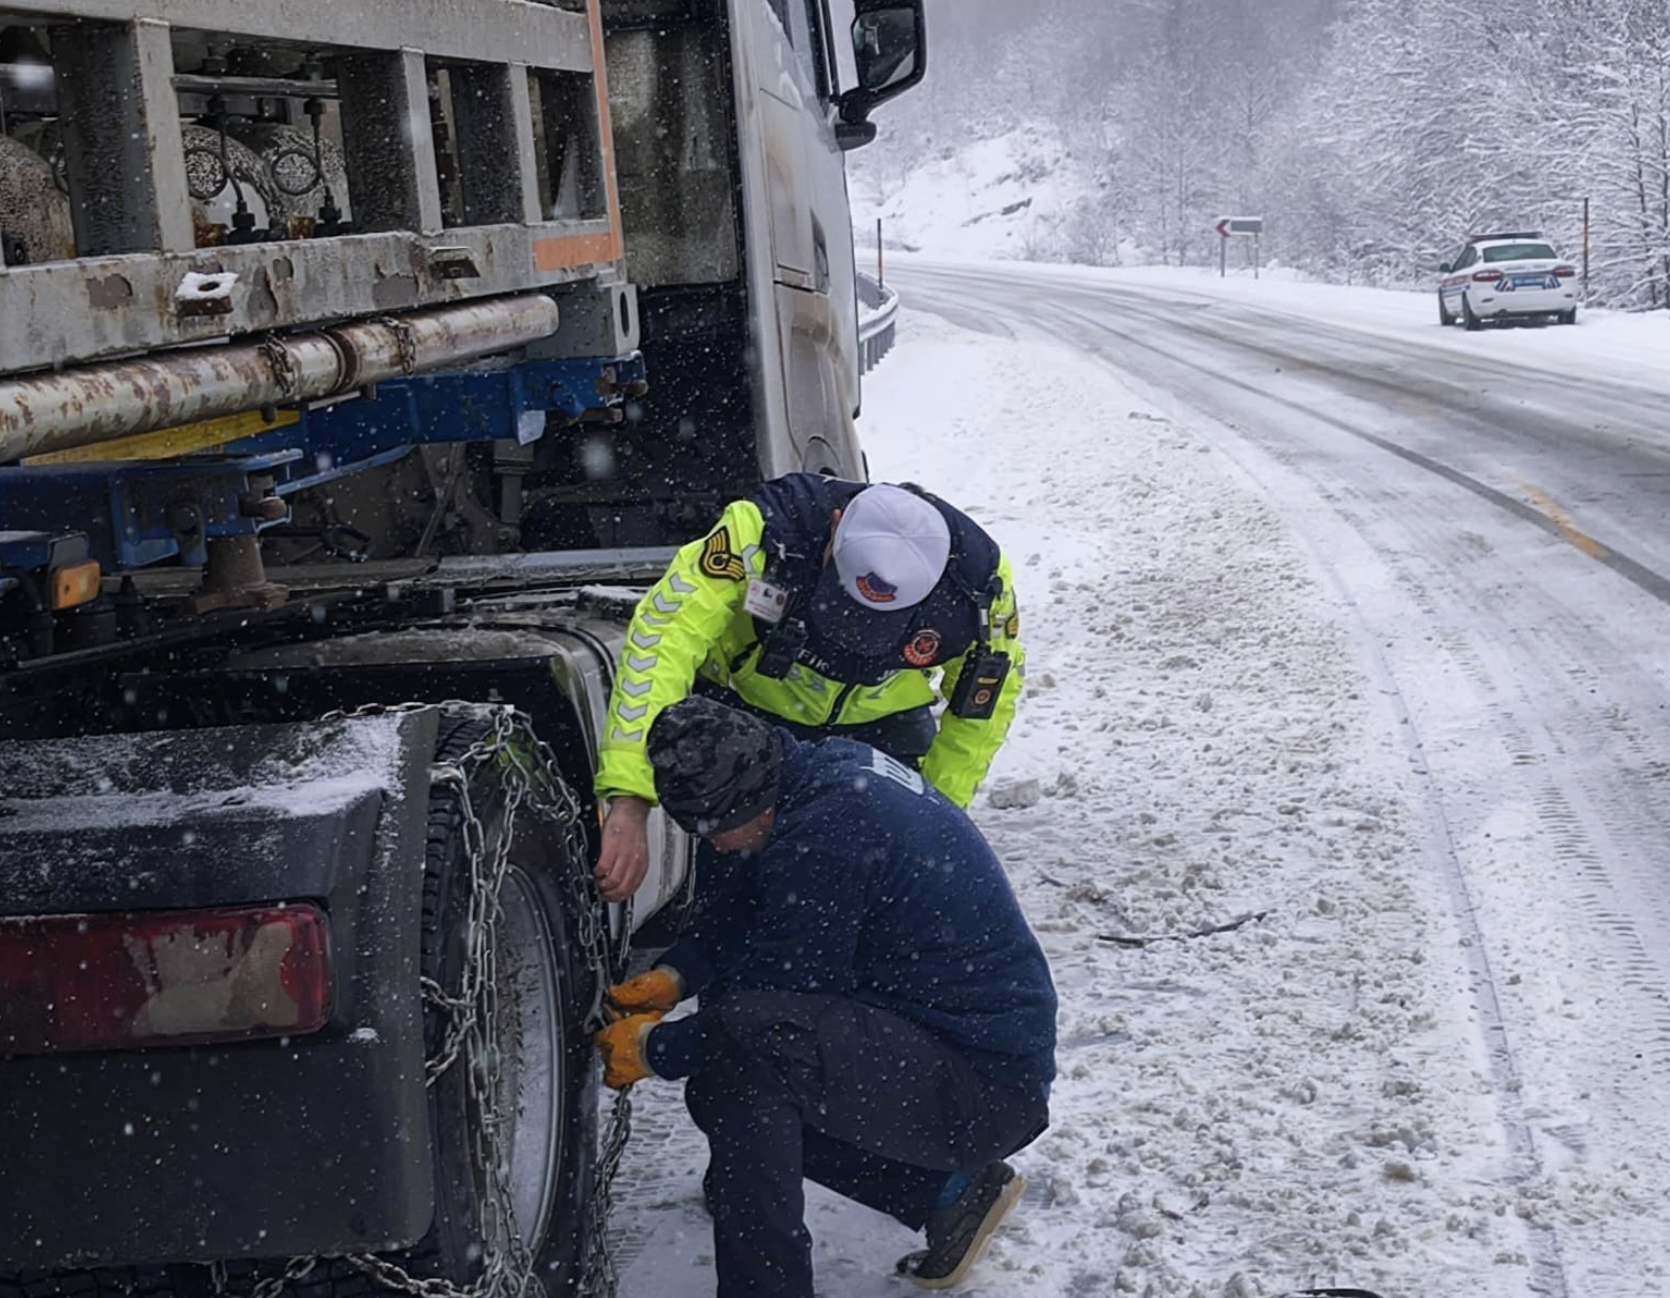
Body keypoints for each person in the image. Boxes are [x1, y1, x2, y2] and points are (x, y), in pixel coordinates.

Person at [594, 696, 1057, 1297]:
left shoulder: (831, 833)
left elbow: (772, 1013)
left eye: (712, 831)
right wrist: (676, 975)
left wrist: (655, 1048)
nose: (711, 847)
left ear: (750, 803)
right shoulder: (809, 777)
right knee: (722, 1083)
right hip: (951, 1051)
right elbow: (755, 903)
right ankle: (949, 1194)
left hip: (984, 1087)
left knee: (743, 1064)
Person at [593, 472, 1025, 902]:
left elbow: (980, 713)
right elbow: (665, 638)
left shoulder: (979, 590)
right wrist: (631, 798)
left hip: (879, 731)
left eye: (876, 627)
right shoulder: (761, 530)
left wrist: (935, 818)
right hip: (748, 716)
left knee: (877, 881)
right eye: (844, 607)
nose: (850, 639)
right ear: (835, 528)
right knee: (732, 887)